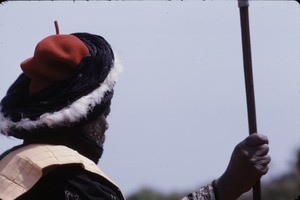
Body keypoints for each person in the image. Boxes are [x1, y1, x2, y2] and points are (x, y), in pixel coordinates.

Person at [0, 27, 270, 200]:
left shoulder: (8, 166)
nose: (105, 126)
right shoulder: (76, 183)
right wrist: (228, 186)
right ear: (80, 119)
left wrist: (224, 188)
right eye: (103, 114)